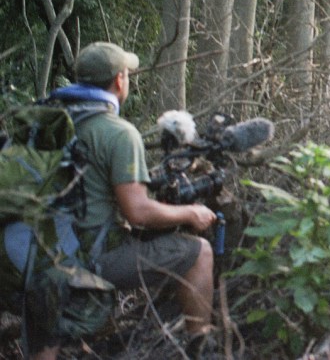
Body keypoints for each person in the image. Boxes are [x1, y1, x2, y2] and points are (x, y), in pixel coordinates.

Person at [34, 42, 217, 360]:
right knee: (198, 252)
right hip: (87, 259)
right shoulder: (118, 133)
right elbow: (139, 213)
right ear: (120, 80)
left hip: (35, 252)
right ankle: (201, 349)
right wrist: (191, 212)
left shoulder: (50, 121)